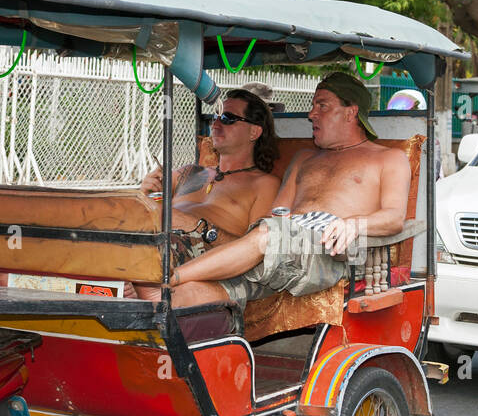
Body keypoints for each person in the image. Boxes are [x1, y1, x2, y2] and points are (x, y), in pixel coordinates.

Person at [165, 72, 410, 310]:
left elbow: (394, 218)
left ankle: (170, 277)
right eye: (313, 106)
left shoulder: (389, 158)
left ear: (350, 112)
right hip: (284, 251)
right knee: (184, 294)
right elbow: (275, 216)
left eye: (322, 106)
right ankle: (168, 298)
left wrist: (352, 225)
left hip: (330, 251)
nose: (311, 114)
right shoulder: (305, 158)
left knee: (269, 235)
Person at [134, 88, 281, 299]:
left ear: (254, 132)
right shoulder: (188, 172)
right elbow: (143, 206)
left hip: (200, 254)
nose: (216, 123)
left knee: (143, 252)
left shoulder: (265, 184)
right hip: (158, 239)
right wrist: (144, 191)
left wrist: (198, 226)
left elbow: (254, 251)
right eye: (215, 116)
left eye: (228, 118)